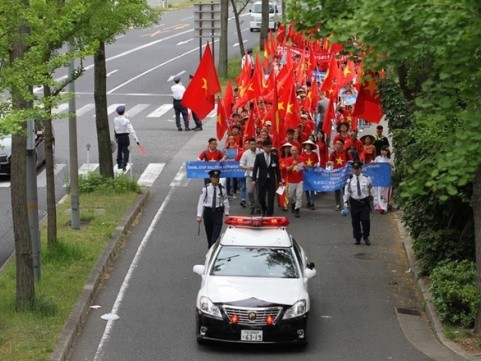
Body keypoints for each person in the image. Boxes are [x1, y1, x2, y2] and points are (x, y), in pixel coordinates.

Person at [196, 170, 230, 248]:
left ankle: (211, 250)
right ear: (210, 178)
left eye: (217, 178)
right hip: (208, 213)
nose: (216, 179)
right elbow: (201, 202)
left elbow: (225, 201)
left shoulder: (222, 189)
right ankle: (210, 249)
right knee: (209, 235)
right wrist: (199, 215)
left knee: (215, 237)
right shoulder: (206, 189)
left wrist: (226, 213)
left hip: (218, 213)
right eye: (214, 178)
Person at [343, 161, 373, 245]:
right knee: (355, 222)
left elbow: (371, 190)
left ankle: (366, 236)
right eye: (354, 169)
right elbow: (347, 192)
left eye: (358, 169)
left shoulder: (367, 179)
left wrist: (375, 201)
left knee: (365, 220)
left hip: (364, 203)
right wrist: (345, 203)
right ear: (352, 169)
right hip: (354, 203)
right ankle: (357, 238)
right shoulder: (350, 180)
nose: (356, 170)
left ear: (361, 169)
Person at [252, 139, 282, 216]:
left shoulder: (274, 156)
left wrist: (279, 180)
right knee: (261, 198)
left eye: (270, 147)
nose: (269, 148)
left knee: (271, 198)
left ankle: (269, 215)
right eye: (267, 147)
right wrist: (253, 180)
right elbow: (255, 168)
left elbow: (277, 169)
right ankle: (264, 208)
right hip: (262, 180)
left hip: (271, 180)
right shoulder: (259, 156)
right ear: (263, 147)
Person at [327, 139, 352, 210]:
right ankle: (338, 204)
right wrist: (329, 163)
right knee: (337, 189)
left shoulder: (346, 153)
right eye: (336, 144)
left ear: (342, 145)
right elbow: (329, 163)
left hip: (345, 174)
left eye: (339, 144)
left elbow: (350, 162)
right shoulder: (333, 153)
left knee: (346, 189)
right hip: (336, 174)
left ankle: (346, 203)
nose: (337, 145)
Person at [113, 105, 140, 171]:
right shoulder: (126, 121)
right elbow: (131, 130)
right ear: (124, 112)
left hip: (118, 137)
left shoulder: (115, 119)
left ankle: (119, 163)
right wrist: (136, 139)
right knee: (126, 151)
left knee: (119, 150)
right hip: (125, 137)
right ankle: (124, 164)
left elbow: (116, 128)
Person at [239, 137, 261, 214]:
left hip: (259, 175)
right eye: (251, 144)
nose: (253, 146)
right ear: (249, 145)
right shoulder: (245, 153)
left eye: (254, 144)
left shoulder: (261, 152)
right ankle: (252, 205)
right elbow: (241, 164)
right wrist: (247, 167)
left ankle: (258, 207)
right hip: (249, 175)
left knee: (259, 192)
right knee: (250, 191)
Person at [284, 146, 304, 218]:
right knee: (290, 196)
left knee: (299, 195)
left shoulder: (301, 158)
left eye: (295, 150)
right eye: (292, 151)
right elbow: (287, 169)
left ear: (297, 151)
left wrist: (305, 167)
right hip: (291, 181)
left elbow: (304, 168)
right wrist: (293, 164)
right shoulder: (288, 159)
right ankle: (293, 203)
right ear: (291, 152)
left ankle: (297, 209)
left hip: (300, 180)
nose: (294, 152)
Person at [373, 145, 393, 214]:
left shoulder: (389, 160)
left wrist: (390, 165)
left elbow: (392, 169)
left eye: (384, 150)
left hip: (386, 178)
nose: (383, 151)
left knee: (385, 193)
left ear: (387, 151)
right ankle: (380, 206)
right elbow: (374, 166)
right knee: (379, 192)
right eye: (382, 150)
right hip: (379, 178)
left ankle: (384, 206)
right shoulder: (378, 158)